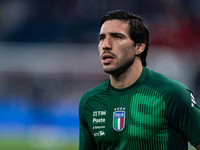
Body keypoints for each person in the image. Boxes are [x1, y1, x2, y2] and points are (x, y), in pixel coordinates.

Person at [79, 10, 200, 150]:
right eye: (101, 38)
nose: (105, 45)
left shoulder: (172, 94)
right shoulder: (89, 101)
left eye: (117, 37)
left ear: (139, 46)